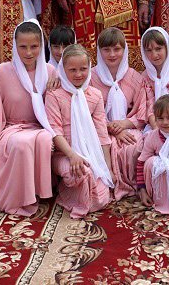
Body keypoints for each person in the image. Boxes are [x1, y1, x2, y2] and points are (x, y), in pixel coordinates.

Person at [0, 20, 56, 216]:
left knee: (45, 139)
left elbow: (55, 105)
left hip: (39, 127)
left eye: (34, 47)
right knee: (21, 143)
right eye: (23, 47)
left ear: (41, 46)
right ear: (14, 46)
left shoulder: (50, 71)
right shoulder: (0, 72)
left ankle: (39, 193)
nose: (28, 53)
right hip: (11, 128)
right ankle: (19, 198)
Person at [45, 44, 113, 218]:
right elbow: (55, 132)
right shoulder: (54, 94)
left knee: (101, 197)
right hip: (63, 154)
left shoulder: (95, 95)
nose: (78, 74)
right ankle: (66, 190)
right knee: (82, 174)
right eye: (72, 70)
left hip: (90, 152)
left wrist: (107, 167)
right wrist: (72, 155)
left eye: (83, 69)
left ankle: (82, 191)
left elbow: (101, 133)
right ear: (63, 69)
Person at [91, 27, 151, 199]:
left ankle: (134, 185)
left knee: (134, 145)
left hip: (128, 126)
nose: (112, 54)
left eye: (117, 49)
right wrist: (111, 128)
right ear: (99, 51)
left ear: (124, 50)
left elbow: (142, 110)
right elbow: (87, 112)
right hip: (99, 129)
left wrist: (123, 125)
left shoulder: (134, 77)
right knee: (103, 146)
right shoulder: (91, 77)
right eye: (106, 49)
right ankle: (109, 183)